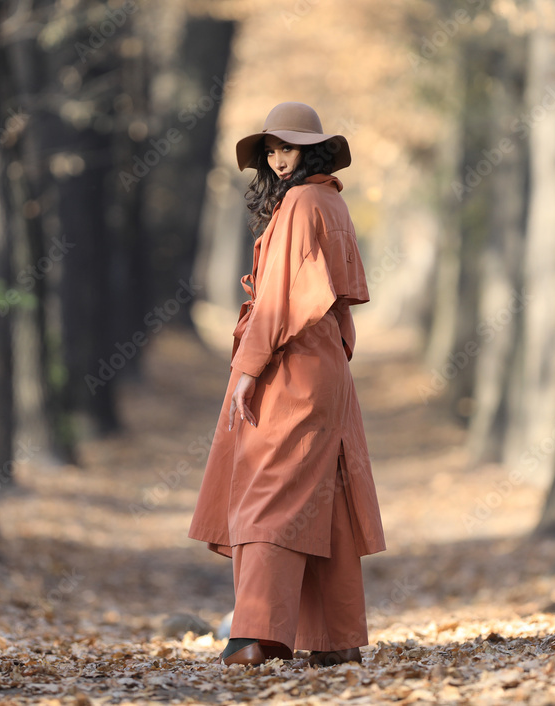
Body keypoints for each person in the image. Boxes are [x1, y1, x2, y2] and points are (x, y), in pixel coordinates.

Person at [188, 102, 386, 667]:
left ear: (311, 150)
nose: (277, 160)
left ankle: (254, 636)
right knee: (322, 496)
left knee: (267, 492)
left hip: (291, 363)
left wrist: (248, 371)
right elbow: (336, 303)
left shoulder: (301, 201)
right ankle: (335, 639)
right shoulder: (329, 200)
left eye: (287, 148)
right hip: (322, 365)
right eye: (270, 150)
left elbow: (277, 298)